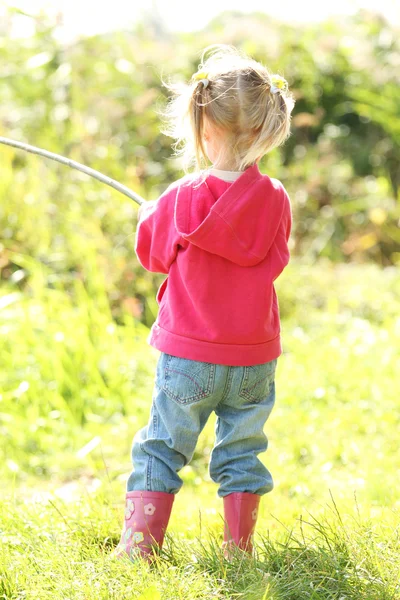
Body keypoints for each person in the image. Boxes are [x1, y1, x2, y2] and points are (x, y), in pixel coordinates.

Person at [116, 44, 294, 562]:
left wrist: (152, 215)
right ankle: (238, 552)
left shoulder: (180, 197)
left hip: (189, 356)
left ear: (205, 128)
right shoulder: (276, 197)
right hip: (253, 359)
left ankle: (138, 550)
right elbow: (275, 259)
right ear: (264, 128)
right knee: (242, 451)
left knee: (162, 447)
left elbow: (152, 255)